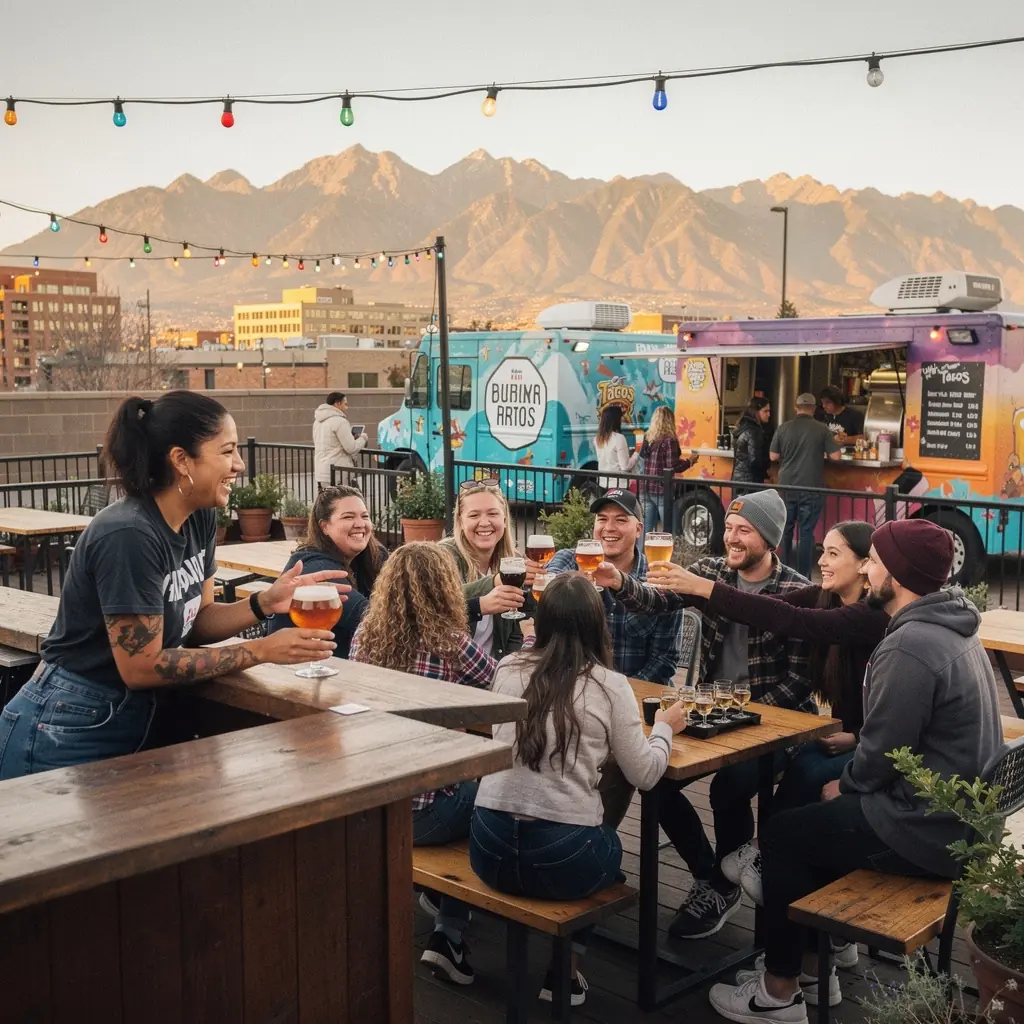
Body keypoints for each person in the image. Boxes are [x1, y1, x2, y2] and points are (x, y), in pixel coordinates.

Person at [708, 519, 1001, 1022]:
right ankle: (814, 967)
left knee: (783, 833)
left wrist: (845, 785)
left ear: (899, 575)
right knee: (809, 816)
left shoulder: (910, 645)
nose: (866, 569)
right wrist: (856, 756)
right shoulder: (952, 630)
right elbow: (908, 736)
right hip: (954, 819)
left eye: (875, 562)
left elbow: (885, 754)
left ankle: (777, 993)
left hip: (926, 830)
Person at [0, 392, 345, 779]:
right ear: (182, 460)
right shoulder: (129, 534)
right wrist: (261, 649)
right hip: (64, 726)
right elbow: (141, 667)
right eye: (227, 451)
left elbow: (197, 621)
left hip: (126, 720)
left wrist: (264, 602)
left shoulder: (197, 520)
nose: (239, 464)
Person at [597, 489, 815, 939]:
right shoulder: (712, 569)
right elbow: (658, 600)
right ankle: (711, 876)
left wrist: (747, 718)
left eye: (745, 531)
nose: (732, 538)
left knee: (728, 786)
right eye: (730, 528)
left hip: (777, 726)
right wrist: (620, 584)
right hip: (711, 714)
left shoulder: (796, 590)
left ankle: (720, 884)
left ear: (770, 539)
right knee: (654, 777)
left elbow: (800, 681)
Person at [645, 521, 887, 917]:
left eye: (832, 553)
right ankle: (752, 875)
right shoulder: (827, 597)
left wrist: (858, 737)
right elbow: (778, 610)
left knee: (800, 778)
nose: (821, 561)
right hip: (840, 735)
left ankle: (773, 875)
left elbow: (794, 623)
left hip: (866, 744)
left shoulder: (869, 615)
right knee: (664, 780)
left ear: (864, 565)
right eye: (822, 551)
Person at [471, 573, 691, 1008]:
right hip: (563, 859)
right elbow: (646, 775)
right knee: (609, 859)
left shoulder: (508, 668)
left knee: (577, 846)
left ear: (542, 619)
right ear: (598, 622)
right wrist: (663, 729)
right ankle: (565, 974)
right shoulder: (610, 686)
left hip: (488, 849)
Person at [349, 542, 497, 987]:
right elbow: (504, 686)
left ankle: (437, 895)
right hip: (425, 814)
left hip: (371, 804)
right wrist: (529, 639)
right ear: (446, 588)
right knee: (494, 797)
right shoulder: (451, 642)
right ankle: (449, 932)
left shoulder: (364, 637)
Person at [547, 489, 683, 687]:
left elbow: (663, 661)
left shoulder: (658, 577)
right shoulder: (569, 560)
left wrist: (620, 695)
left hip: (638, 696)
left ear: (639, 529)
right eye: (602, 519)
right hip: (574, 692)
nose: (609, 527)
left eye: (620, 520)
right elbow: (545, 591)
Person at [269, 486, 387, 659]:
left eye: (365, 516)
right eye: (348, 517)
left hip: (340, 665)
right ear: (324, 526)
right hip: (297, 667)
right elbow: (368, 618)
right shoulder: (316, 566)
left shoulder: (372, 556)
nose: (360, 524)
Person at [439, 479, 534, 661]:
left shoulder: (514, 561)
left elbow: (519, 627)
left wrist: (503, 670)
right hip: (451, 669)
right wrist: (493, 582)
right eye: (474, 515)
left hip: (493, 672)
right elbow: (437, 604)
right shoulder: (442, 556)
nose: (484, 522)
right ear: (460, 521)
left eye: (493, 514)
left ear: (504, 519)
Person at [770, 393, 841, 580]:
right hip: (811, 487)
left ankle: (782, 572)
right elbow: (836, 457)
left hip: (786, 486)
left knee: (785, 529)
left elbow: (773, 456)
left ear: (796, 407)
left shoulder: (784, 427)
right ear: (814, 408)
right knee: (806, 532)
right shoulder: (822, 429)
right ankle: (803, 576)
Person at [639, 405, 697, 534]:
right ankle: (666, 554)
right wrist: (690, 461)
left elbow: (642, 458)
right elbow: (672, 467)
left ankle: (642, 553)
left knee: (645, 529)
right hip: (661, 489)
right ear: (670, 420)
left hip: (645, 487)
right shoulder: (669, 440)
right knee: (668, 529)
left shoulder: (648, 437)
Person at [313, 391, 367, 489]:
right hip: (338, 472)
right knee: (348, 501)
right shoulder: (340, 421)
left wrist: (350, 438)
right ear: (337, 403)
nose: (347, 407)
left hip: (321, 471)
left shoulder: (317, 421)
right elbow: (351, 448)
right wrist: (363, 438)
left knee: (328, 502)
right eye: (345, 404)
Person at [731, 396, 772, 486]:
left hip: (739, 478)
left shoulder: (742, 427)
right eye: (765, 411)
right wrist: (764, 475)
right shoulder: (754, 431)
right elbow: (755, 460)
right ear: (756, 412)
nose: (768, 414)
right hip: (750, 481)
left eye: (769, 411)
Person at [595, 404, 637, 490]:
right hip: (618, 485)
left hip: (603, 483)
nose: (622, 420)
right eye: (620, 417)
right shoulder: (619, 438)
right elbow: (625, 466)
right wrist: (637, 453)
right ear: (615, 419)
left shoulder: (597, 439)